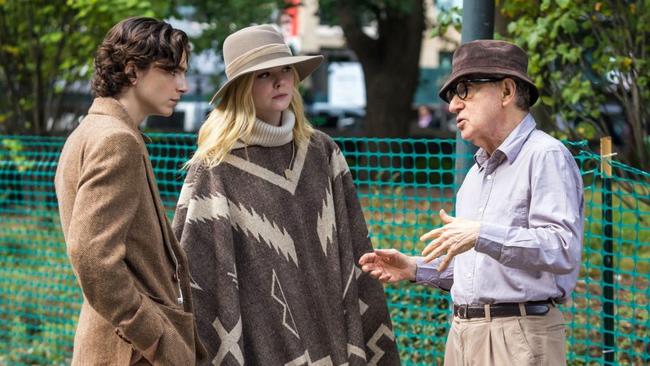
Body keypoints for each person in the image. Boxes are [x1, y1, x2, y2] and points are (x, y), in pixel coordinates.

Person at [172, 24, 400, 365]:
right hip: (258, 341)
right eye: (264, 75)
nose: (280, 81)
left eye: (285, 70)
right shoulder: (216, 167)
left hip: (330, 331)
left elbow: (353, 246)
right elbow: (197, 275)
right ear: (241, 88)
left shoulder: (321, 152)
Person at [359, 40, 584, 366]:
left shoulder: (545, 155)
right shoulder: (475, 177)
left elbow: (563, 248)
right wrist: (413, 268)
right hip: (463, 335)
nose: (453, 106)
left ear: (506, 91)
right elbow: (479, 272)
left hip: (519, 336)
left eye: (464, 90)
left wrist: (481, 234)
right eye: (452, 96)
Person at [55, 17, 206, 365]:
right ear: (132, 71)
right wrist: (154, 335)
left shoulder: (89, 130)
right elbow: (91, 255)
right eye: (170, 71)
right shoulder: (116, 140)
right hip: (132, 353)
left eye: (183, 72)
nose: (182, 85)